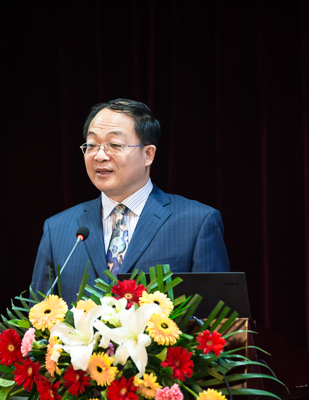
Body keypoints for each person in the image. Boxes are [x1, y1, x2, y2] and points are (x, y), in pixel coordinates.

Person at [31, 98, 230, 303]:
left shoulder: (196, 223)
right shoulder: (57, 230)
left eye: (114, 145)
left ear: (148, 154)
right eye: (91, 145)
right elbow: (38, 316)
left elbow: (216, 315)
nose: (99, 156)